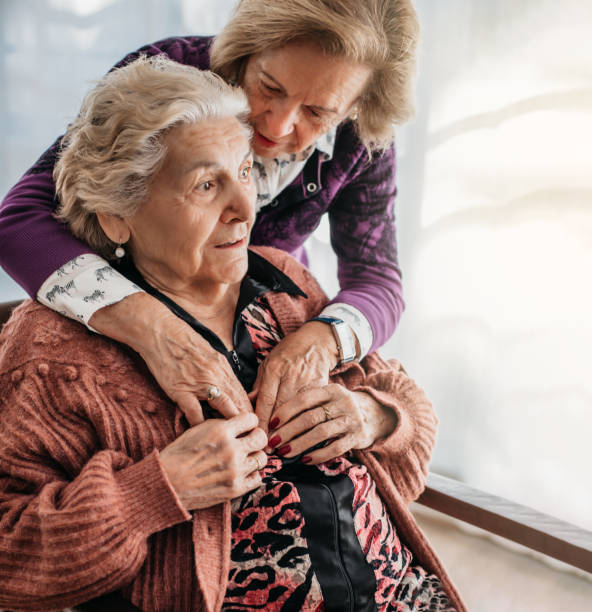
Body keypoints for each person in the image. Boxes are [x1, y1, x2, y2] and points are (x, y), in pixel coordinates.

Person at [0, 56, 463, 612]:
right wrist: (153, 491)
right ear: (116, 214)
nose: (246, 209)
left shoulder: (285, 284)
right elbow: (11, 558)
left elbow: (409, 411)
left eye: (245, 172)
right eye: (205, 185)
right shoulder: (53, 352)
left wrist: (374, 416)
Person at [0, 0, 418, 433]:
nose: (276, 126)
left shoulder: (361, 139)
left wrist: (321, 342)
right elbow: (18, 220)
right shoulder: (169, 78)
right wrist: (154, 328)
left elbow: (377, 278)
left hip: (256, 326)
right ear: (248, 49)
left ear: (356, 106)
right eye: (270, 87)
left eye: (317, 113)